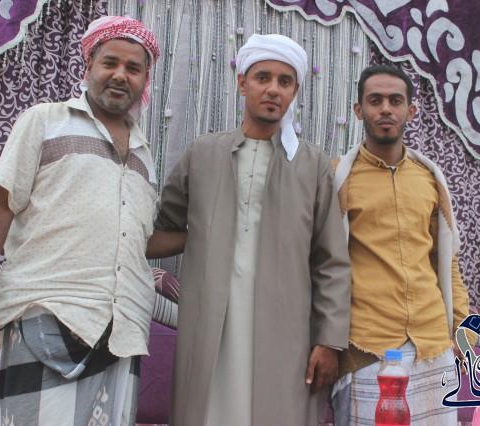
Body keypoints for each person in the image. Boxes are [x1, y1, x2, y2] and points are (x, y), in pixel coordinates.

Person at [0, 16, 161, 425]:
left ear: (144, 80)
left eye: (133, 68)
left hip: (123, 329)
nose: (120, 75)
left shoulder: (144, 154)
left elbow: (140, 238)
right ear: (88, 67)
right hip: (47, 311)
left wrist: (209, 231)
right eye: (110, 63)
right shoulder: (45, 120)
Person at [147, 33, 352, 426]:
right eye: (263, 78)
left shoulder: (312, 165)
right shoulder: (203, 153)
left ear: (294, 92)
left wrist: (329, 340)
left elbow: (331, 261)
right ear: (242, 83)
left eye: (285, 81)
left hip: (285, 330)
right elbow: (164, 226)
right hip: (211, 326)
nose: (273, 89)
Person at [330, 64, 470, 425]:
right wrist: (324, 341)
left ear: (411, 111)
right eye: (375, 101)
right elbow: (322, 265)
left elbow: (446, 261)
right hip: (367, 346)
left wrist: (461, 329)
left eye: (395, 101)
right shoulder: (338, 178)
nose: (386, 109)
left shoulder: (429, 178)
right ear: (359, 110)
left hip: (432, 342)